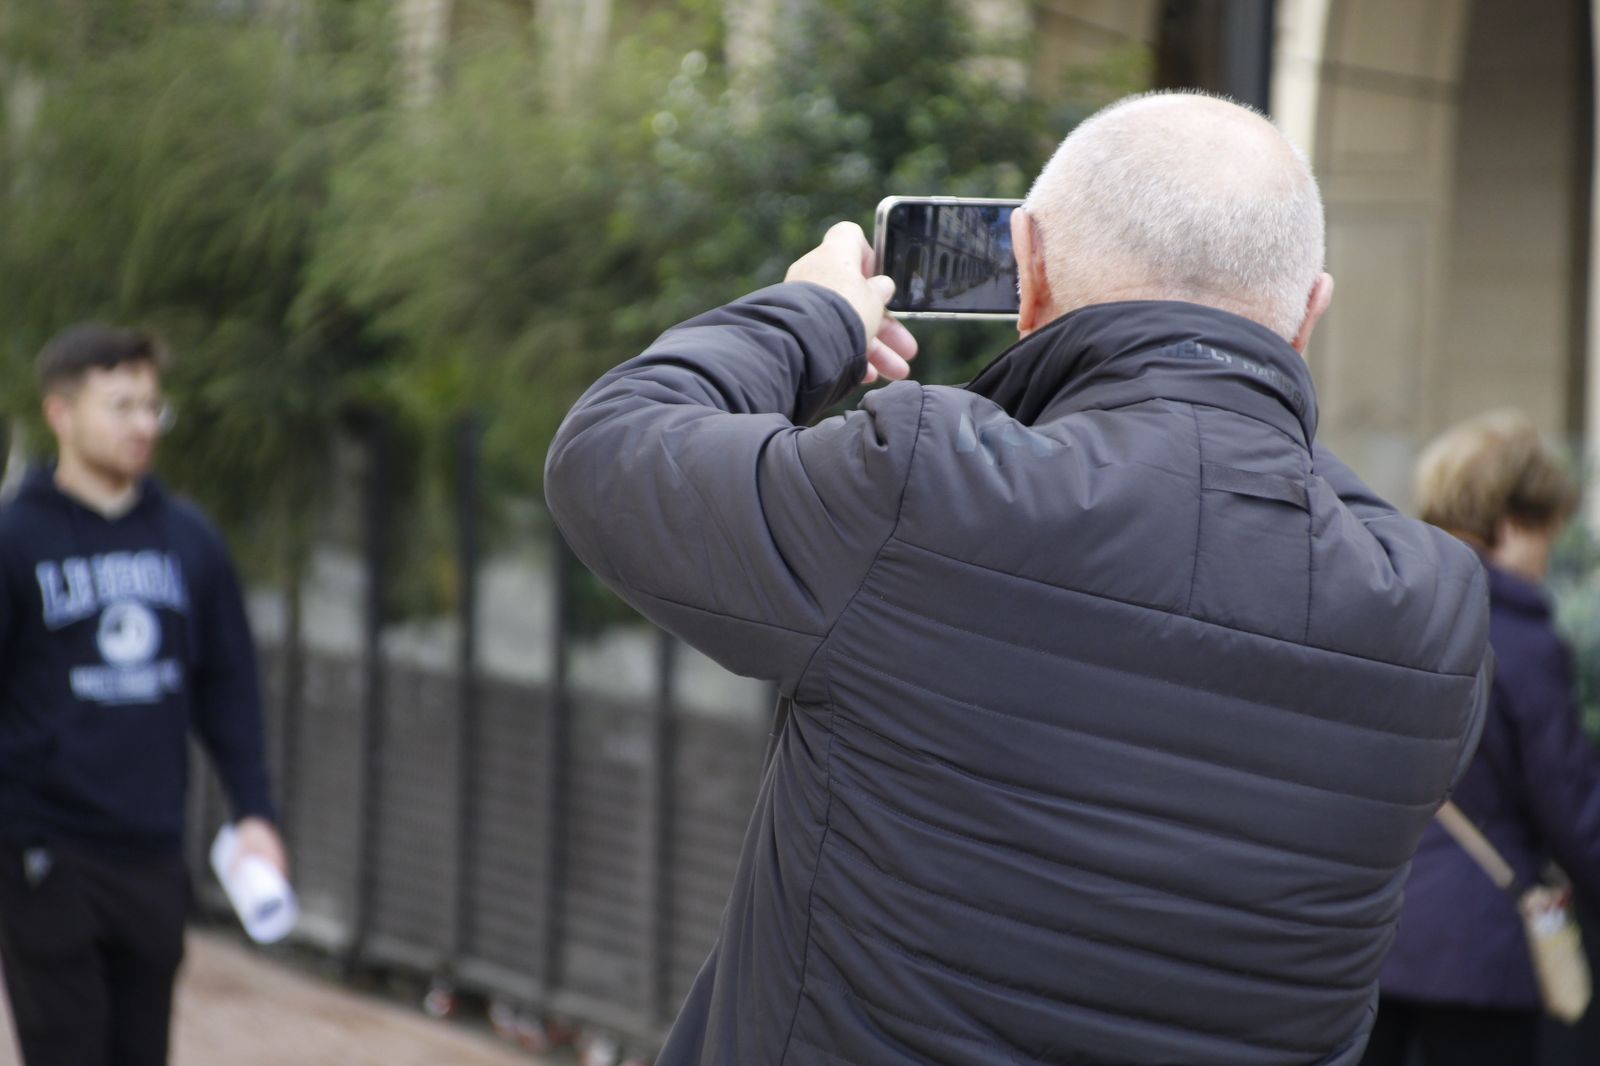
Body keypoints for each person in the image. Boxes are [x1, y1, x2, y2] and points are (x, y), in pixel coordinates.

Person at [545, 91, 1491, 1066]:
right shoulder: (1430, 609)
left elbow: (612, 452)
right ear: (1310, 313)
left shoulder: (934, 492)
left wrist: (814, 315)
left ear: (1026, 270)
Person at [0, 324, 288, 1066]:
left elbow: (228, 688)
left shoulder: (188, 540)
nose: (141, 425)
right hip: (45, 852)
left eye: (152, 407)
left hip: (153, 851)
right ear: (60, 413)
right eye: (120, 405)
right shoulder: (15, 540)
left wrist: (254, 811)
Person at [1361, 410, 1600, 1066]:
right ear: (1512, 522)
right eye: (1548, 530)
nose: (1549, 554)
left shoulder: (1377, 606)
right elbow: (1569, 804)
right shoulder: (1522, 641)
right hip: (1478, 947)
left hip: (1363, 930)